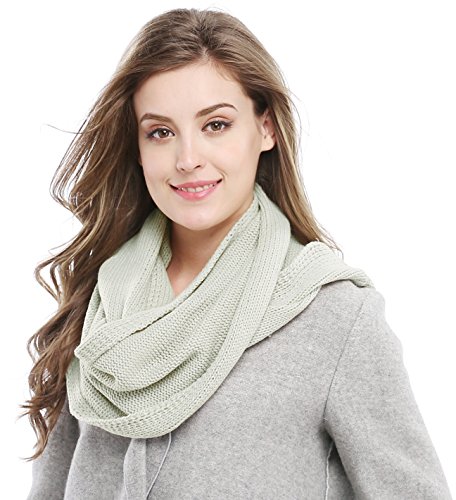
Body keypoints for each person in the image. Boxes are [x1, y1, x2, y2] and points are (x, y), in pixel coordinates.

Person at [20, 7, 452, 499]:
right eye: (160, 132)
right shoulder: (100, 299)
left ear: (265, 128)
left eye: (216, 125)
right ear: (137, 147)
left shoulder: (336, 318)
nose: (188, 159)